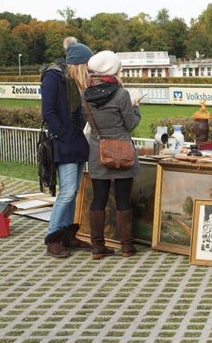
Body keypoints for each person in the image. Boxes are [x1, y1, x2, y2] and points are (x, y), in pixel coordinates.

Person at [83, 50, 141, 259]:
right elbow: (131, 124)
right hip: (122, 151)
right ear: (112, 69)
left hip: (98, 150)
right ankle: (127, 246)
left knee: (98, 199)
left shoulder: (86, 94)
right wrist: (136, 107)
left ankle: (97, 247)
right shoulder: (121, 94)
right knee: (123, 199)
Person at [41, 37, 93, 258]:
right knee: (67, 192)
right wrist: (65, 135)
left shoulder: (72, 82)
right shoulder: (54, 77)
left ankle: (68, 234)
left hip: (76, 142)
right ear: (79, 65)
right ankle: (53, 238)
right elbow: (49, 113)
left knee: (74, 192)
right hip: (64, 142)